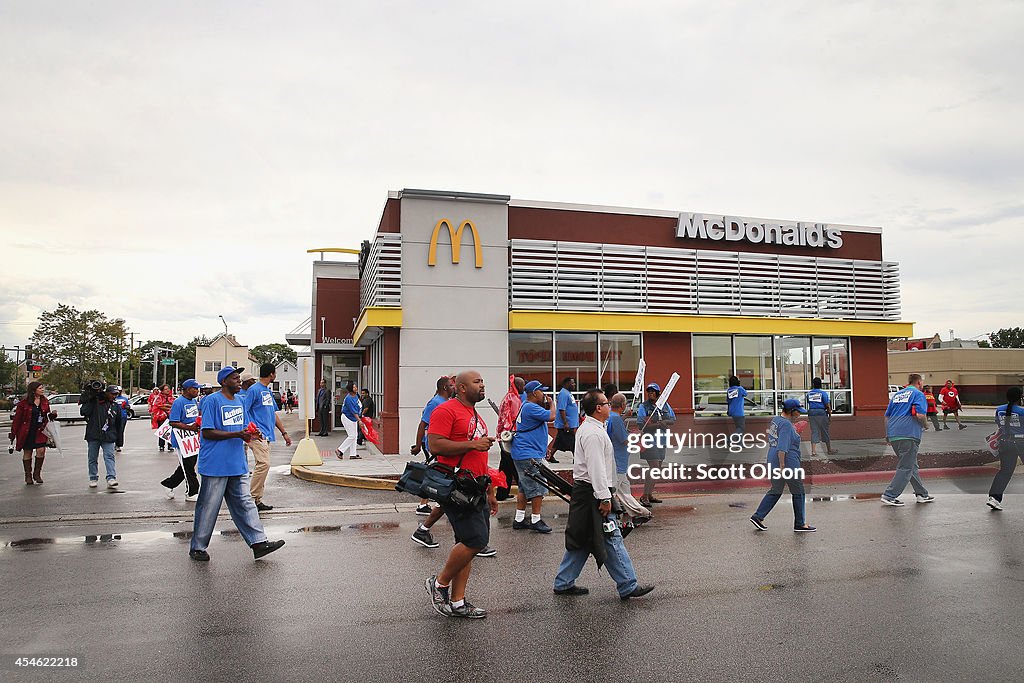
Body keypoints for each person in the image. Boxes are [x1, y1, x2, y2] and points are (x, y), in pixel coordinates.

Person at [553, 389, 654, 600]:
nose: (609, 406)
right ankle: (628, 584)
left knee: (582, 537)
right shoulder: (593, 434)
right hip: (593, 493)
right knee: (611, 536)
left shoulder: (595, 428)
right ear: (598, 408)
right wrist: (605, 498)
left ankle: (563, 582)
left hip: (590, 492)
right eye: (606, 403)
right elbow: (596, 469)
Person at [189, 366, 286, 562]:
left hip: (237, 464)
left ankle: (258, 543)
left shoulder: (241, 401)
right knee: (208, 507)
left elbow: (242, 427)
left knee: (246, 504)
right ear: (224, 382)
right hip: (216, 464)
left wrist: (251, 432)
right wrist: (237, 434)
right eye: (235, 378)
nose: (239, 381)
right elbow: (207, 431)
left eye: (239, 378)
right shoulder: (212, 401)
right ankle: (198, 547)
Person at [425, 370, 498, 619]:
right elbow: (435, 444)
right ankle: (439, 583)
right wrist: (472, 444)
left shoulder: (474, 413)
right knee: (475, 541)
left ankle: (458, 602)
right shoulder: (446, 410)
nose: (482, 385)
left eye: (483, 382)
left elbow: (479, 455)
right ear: (462, 387)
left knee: (467, 544)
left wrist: (490, 491)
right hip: (456, 486)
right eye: (477, 382)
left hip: (476, 486)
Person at [749, 399, 816, 532]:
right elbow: (782, 447)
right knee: (798, 491)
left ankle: (758, 516)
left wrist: (794, 430)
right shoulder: (786, 424)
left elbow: (780, 438)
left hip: (772, 458)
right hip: (787, 462)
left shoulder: (776, 420)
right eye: (798, 412)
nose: (799, 415)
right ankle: (800, 524)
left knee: (776, 490)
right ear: (792, 411)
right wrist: (782, 466)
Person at [241, 363, 292, 511]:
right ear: (271, 374)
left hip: (267, 435)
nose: (275, 376)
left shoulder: (267, 392)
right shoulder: (254, 390)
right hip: (257, 435)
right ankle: (250, 499)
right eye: (275, 373)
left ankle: (257, 500)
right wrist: (252, 429)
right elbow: (245, 410)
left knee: (262, 466)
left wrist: (284, 433)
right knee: (264, 464)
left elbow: (273, 414)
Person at [879, 374, 935, 507]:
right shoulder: (918, 394)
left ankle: (921, 494)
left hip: (894, 434)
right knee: (906, 467)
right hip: (909, 434)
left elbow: (886, 416)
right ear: (919, 382)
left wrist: (888, 433)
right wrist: (926, 425)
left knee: (911, 465)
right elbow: (921, 415)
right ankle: (890, 495)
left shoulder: (897, 395)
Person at [511, 380, 557, 534]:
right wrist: (553, 403)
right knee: (538, 486)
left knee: (524, 487)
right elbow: (552, 416)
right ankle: (536, 520)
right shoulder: (530, 407)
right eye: (542, 391)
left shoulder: (526, 405)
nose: (544, 394)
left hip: (526, 452)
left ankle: (519, 518)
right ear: (534, 393)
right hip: (529, 454)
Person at [607, 392, 650, 526]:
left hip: (616, 459)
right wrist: (638, 438)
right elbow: (624, 440)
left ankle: (640, 513)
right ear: (622, 405)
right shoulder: (616, 419)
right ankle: (610, 518)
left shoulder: (610, 416)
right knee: (613, 491)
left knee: (625, 491)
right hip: (618, 461)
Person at [161, 379, 202, 501]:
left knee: (186, 465)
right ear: (188, 389)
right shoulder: (178, 402)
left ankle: (169, 484)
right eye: (195, 389)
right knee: (188, 467)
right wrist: (190, 427)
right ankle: (192, 492)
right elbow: (173, 422)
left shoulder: (194, 401)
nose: (197, 391)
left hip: (192, 439)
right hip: (181, 440)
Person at [636, 382, 676, 507]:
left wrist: (665, 422)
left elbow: (673, 419)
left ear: (658, 393)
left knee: (657, 469)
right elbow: (641, 424)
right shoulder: (644, 406)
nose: (650, 393)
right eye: (649, 391)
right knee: (653, 468)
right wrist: (659, 424)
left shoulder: (664, 405)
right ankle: (644, 496)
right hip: (649, 441)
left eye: (653, 391)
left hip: (662, 440)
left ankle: (650, 494)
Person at [9, 382, 56, 485]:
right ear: (34, 390)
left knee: (41, 450)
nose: (42, 390)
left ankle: (37, 473)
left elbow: (46, 415)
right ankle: (28, 475)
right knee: (28, 452)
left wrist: (52, 416)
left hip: (40, 430)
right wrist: (13, 433)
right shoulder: (24, 403)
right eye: (40, 388)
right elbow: (17, 419)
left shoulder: (45, 401)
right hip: (27, 430)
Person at [986, 387, 1024, 511]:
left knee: (1005, 472)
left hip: (1005, 442)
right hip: (1020, 442)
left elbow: (998, 423)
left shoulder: (999, 409)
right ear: (1020, 397)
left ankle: (994, 498)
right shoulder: (1021, 411)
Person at [81, 384, 123, 488]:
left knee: (109, 456)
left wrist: (119, 440)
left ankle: (111, 477)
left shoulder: (115, 406)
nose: (114, 396)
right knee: (92, 457)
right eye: (112, 394)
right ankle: (93, 477)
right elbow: (83, 412)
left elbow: (119, 423)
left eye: (116, 394)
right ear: (107, 393)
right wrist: (91, 399)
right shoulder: (95, 403)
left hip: (109, 435)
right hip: (93, 434)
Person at [495, 376, 525, 501]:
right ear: (517, 385)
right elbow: (513, 420)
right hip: (509, 438)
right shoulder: (513, 399)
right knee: (515, 466)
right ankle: (526, 493)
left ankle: (502, 493)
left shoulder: (509, 397)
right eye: (522, 385)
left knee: (505, 468)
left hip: (503, 437)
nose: (524, 387)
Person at [548, 377, 579, 464]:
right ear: (566, 383)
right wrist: (565, 422)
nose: (574, 385)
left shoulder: (568, 393)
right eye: (572, 383)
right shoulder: (563, 394)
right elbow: (562, 409)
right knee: (572, 442)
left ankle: (550, 456)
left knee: (559, 441)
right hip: (566, 424)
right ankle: (577, 458)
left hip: (571, 423)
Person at [806, 377, 837, 457]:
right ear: (820, 384)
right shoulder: (823, 393)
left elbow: (809, 403)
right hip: (821, 412)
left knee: (814, 431)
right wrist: (830, 415)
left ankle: (813, 451)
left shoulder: (809, 394)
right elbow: (827, 405)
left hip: (812, 412)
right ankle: (829, 449)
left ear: (813, 384)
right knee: (824, 431)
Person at [335, 381, 362, 460]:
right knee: (352, 436)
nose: (356, 388)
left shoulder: (356, 395)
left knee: (355, 436)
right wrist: (359, 420)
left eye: (355, 386)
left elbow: (358, 404)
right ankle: (340, 450)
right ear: (351, 389)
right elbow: (353, 411)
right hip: (347, 418)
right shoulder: (349, 399)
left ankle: (353, 454)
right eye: (354, 387)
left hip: (353, 418)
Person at [151, 385, 173, 451]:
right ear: (162, 390)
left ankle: (170, 445)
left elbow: (173, 404)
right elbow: (159, 405)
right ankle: (161, 445)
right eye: (166, 389)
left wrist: (167, 406)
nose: (168, 390)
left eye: (168, 388)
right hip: (162, 417)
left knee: (171, 431)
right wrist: (168, 407)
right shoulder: (159, 397)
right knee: (163, 431)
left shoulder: (171, 397)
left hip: (170, 416)